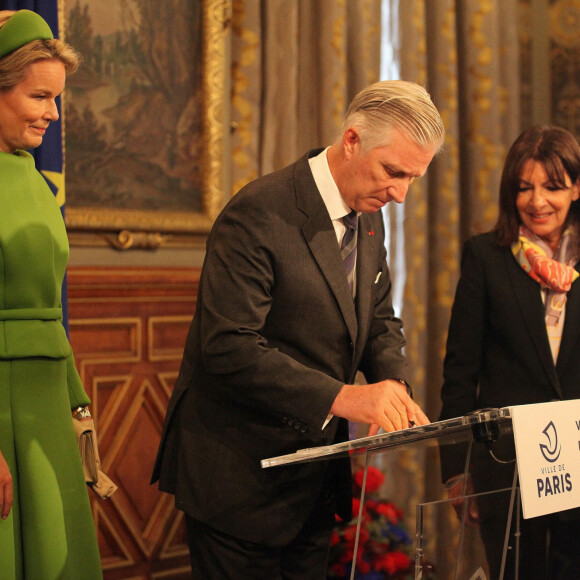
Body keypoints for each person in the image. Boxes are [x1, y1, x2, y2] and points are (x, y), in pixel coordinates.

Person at [152, 79, 444, 579]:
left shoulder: (367, 216)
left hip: (310, 482)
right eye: (393, 172)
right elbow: (228, 346)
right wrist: (345, 397)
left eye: (413, 179)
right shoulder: (259, 212)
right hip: (238, 478)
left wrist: (392, 382)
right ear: (352, 140)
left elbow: (377, 317)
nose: (400, 194)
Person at [439, 125, 580, 579]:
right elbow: (460, 372)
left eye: (552, 187)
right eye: (525, 188)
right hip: (507, 469)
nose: (537, 201)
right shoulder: (485, 256)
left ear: (576, 189)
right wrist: (457, 473)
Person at [0, 9, 103, 580]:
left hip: (45, 405)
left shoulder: (34, 179)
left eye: (56, 98)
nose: (53, 114)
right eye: (39, 97)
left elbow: (48, 309)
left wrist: (76, 402)